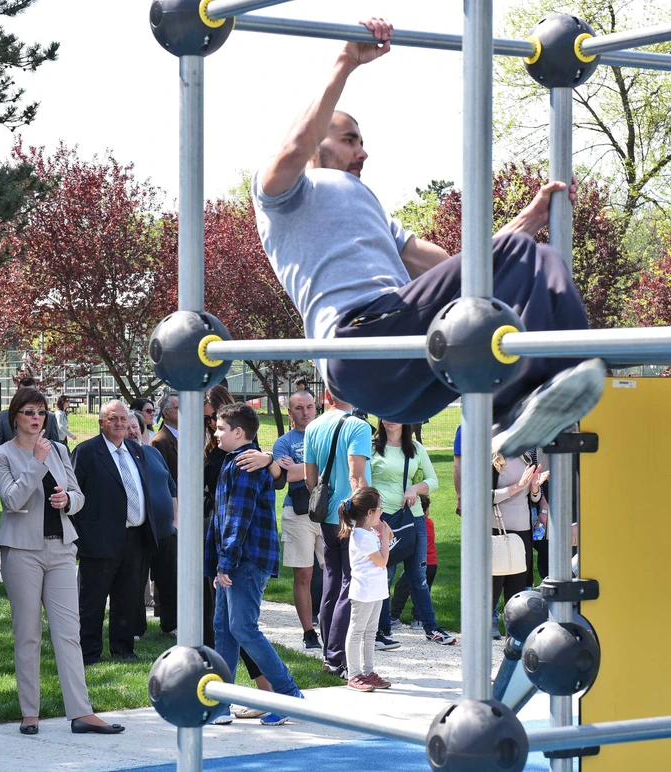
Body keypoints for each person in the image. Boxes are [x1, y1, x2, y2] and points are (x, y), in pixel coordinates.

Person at [252, 17, 604, 460]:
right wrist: (346, 61)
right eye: (349, 140)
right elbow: (295, 149)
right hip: (357, 343)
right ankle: (535, 388)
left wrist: (531, 219)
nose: (363, 151)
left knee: (540, 258)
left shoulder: (373, 211)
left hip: (411, 384)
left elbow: (468, 269)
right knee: (525, 256)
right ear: (317, 137)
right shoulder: (285, 195)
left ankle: (530, 397)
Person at [0, 389, 123, 736]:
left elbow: (78, 495)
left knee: (69, 633)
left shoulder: (60, 450)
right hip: (21, 551)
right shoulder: (0, 455)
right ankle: (29, 713)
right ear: (14, 417)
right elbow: (12, 501)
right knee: (28, 634)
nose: (37, 418)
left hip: (61, 549)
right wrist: (36, 462)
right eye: (29, 412)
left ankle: (81, 712)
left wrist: (68, 501)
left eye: (41, 412)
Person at [206, 402, 304, 726]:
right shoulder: (235, 459)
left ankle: (288, 695)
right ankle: (221, 705)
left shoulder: (245, 464)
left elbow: (238, 517)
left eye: (221, 428)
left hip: (245, 559)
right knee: (224, 628)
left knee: (243, 628)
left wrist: (225, 561)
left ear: (238, 432)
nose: (215, 432)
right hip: (235, 558)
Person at [71, 400, 159, 664]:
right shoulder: (86, 452)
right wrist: (78, 538)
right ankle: (89, 652)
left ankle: (123, 649)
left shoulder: (135, 450)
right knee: (93, 599)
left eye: (123, 419)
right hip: (99, 538)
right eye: (113, 419)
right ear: (102, 423)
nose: (120, 424)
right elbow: (74, 494)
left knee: (128, 596)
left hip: (135, 536)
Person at [304, 388, 372, 678]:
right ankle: (336, 657)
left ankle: (328, 653)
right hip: (351, 515)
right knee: (349, 584)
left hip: (327, 515)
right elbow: (357, 477)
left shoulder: (313, 426)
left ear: (327, 395)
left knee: (332, 583)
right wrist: (370, 517)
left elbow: (310, 479)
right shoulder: (358, 426)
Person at [372, 420, 455, 647]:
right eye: (386, 415)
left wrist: (414, 488)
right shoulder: (372, 448)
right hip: (383, 520)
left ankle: (431, 627)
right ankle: (382, 630)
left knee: (418, 576)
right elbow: (364, 483)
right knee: (384, 576)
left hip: (413, 518)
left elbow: (433, 481)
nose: (390, 420)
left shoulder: (416, 448)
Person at [271, 389, 324, 650]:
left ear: (316, 407)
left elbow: (296, 471)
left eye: (309, 407)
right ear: (290, 412)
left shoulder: (325, 435)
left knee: (336, 570)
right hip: (298, 511)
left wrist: (299, 467)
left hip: (329, 511)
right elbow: (285, 476)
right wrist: (318, 466)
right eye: (299, 408)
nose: (305, 412)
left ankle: (331, 623)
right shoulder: (283, 442)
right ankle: (308, 631)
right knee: (304, 573)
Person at [127, 411, 178, 637]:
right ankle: (135, 628)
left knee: (170, 579)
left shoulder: (152, 452)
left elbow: (171, 485)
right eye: (127, 427)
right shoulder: (121, 457)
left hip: (166, 528)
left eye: (135, 427)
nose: (132, 431)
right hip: (138, 529)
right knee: (135, 580)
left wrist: (176, 520)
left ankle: (172, 625)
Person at [339, 487, 392, 692]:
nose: (381, 512)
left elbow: (379, 557)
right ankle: (354, 674)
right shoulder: (361, 535)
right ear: (370, 512)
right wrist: (385, 538)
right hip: (364, 591)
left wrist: (383, 538)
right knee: (357, 631)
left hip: (375, 590)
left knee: (371, 632)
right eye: (379, 509)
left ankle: (369, 671)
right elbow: (382, 561)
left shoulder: (368, 533)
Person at [491, 450, 548, 636]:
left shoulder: (527, 457)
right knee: (493, 587)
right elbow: (485, 496)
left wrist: (535, 487)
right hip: (497, 530)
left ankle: (513, 638)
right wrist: (518, 486)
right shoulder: (492, 457)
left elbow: (533, 499)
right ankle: (485, 631)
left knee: (517, 590)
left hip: (523, 531)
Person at [0, 378, 59, 469]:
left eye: (31, 392)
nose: (36, 417)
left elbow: (56, 446)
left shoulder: (50, 418)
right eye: (29, 412)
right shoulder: (3, 417)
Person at [390, 493, 438, 631]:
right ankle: (418, 619)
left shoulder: (414, 525)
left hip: (419, 562)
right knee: (424, 589)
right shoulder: (429, 523)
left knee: (401, 589)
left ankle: (394, 616)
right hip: (432, 563)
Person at [150, 393, 179, 483]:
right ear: (166, 413)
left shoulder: (187, 436)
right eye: (177, 408)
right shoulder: (159, 441)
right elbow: (161, 477)